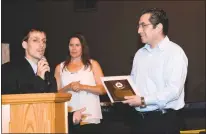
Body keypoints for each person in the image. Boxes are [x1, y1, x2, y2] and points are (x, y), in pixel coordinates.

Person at [1, 28, 86, 132]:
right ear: (25, 44)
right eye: (35, 40)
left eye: (44, 41)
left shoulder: (49, 76)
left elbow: (51, 108)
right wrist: (39, 79)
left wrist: (71, 118)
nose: (41, 45)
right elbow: (12, 104)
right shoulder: (9, 69)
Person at [122, 8, 188, 134]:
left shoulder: (175, 53)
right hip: (138, 121)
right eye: (138, 26)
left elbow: (173, 90)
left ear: (158, 27)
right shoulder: (139, 54)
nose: (139, 30)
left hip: (163, 122)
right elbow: (134, 84)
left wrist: (143, 100)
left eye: (143, 26)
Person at [54, 33, 106, 134]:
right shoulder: (59, 68)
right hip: (69, 119)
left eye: (77, 45)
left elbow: (103, 89)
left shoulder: (93, 65)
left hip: (90, 118)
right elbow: (55, 94)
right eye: (71, 45)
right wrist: (68, 87)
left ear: (83, 47)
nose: (74, 48)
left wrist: (82, 87)